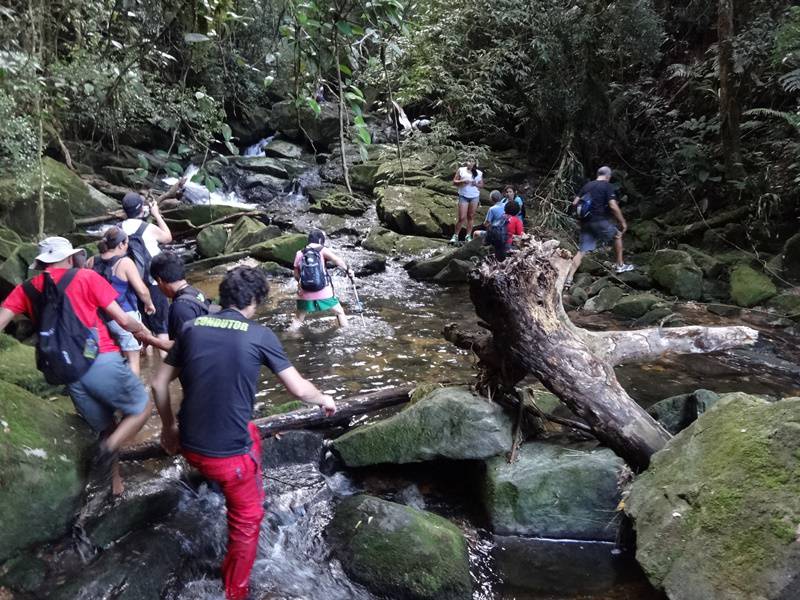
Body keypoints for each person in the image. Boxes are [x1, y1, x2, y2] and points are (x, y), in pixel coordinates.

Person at [151, 266, 337, 600]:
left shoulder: (192, 327)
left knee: (250, 429)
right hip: (227, 460)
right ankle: (234, 592)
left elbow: (159, 381)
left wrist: (169, 429)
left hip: (189, 445)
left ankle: (213, 487)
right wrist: (324, 398)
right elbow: (298, 389)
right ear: (252, 300)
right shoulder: (259, 334)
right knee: (248, 519)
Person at [0, 237, 152, 495]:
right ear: (70, 258)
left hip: (67, 372)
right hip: (99, 359)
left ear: (41, 263)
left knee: (106, 426)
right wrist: (145, 333)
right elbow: (123, 320)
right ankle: (110, 448)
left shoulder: (27, 289)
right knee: (142, 408)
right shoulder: (86, 277)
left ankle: (114, 483)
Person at [87, 227, 155, 376]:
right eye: (127, 243)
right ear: (120, 244)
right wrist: (149, 303)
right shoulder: (124, 262)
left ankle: (150, 366)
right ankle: (136, 393)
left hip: (101, 317)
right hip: (124, 316)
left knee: (147, 335)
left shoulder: (92, 261)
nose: (127, 247)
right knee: (132, 359)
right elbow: (142, 290)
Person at [565, 166, 634, 288]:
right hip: (599, 220)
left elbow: (575, 203)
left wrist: (579, 219)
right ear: (608, 176)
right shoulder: (607, 186)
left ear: (598, 174)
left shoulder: (587, 185)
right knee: (617, 235)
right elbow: (613, 206)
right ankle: (620, 265)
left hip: (585, 222)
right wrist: (622, 222)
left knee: (581, 251)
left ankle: (569, 278)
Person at [120, 192, 172, 352]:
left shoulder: (118, 229)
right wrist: (157, 215)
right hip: (153, 283)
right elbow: (168, 238)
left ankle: (147, 367)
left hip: (132, 285)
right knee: (162, 329)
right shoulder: (148, 228)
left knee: (143, 331)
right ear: (141, 209)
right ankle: (164, 367)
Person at [146, 251, 212, 350]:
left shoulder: (180, 307)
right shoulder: (197, 292)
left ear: (159, 280)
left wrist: (148, 339)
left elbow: (182, 349)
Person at [290, 229, 353, 330]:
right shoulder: (322, 250)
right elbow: (337, 260)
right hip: (323, 291)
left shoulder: (300, 253)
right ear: (320, 240)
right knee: (340, 312)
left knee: (298, 319)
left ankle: (290, 337)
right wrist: (348, 269)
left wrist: (301, 285)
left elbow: (296, 275)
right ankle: (346, 333)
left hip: (305, 293)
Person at [451, 157, 483, 243]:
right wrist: (463, 181)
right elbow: (454, 182)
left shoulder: (479, 173)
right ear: (466, 162)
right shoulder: (461, 170)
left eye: (473, 161)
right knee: (462, 217)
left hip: (474, 196)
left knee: (471, 216)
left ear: (475, 163)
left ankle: (468, 236)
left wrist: (475, 184)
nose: (471, 163)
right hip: (463, 196)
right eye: (469, 161)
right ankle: (455, 236)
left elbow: (481, 185)